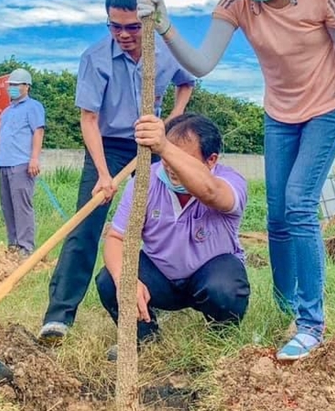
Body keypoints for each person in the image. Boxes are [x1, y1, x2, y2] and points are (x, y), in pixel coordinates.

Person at [137, 0, 335, 361]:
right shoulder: (236, 4)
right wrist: (165, 26)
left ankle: (311, 323)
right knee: (277, 215)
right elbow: (202, 63)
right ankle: (287, 308)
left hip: (329, 106)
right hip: (280, 113)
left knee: (300, 203)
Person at [39, 0, 196, 340]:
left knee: (159, 223)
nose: (124, 35)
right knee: (85, 227)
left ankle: (157, 301)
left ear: (147, 22)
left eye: (133, 27)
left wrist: (173, 120)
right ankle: (59, 316)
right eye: (115, 26)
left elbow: (187, 82)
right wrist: (103, 173)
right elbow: (89, 119)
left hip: (152, 144)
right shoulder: (95, 59)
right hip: (107, 146)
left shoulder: (165, 52)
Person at [95, 113, 250, 356]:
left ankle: (219, 341)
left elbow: (212, 192)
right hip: (161, 276)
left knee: (225, 289)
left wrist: (165, 148)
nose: (170, 166)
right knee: (109, 280)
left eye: (181, 158)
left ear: (211, 160)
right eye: (166, 158)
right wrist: (126, 280)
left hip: (210, 276)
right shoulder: (146, 181)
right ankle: (146, 340)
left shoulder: (230, 181)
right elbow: (117, 239)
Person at [0, 68, 45, 258]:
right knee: (8, 206)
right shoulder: (6, 112)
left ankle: (26, 246)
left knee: (21, 206)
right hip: (4, 163)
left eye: (16, 85)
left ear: (27, 86)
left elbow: (38, 132)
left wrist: (34, 158)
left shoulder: (33, 107)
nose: (12, 88)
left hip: (21, 163)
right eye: (10, 84)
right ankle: (13, 244)